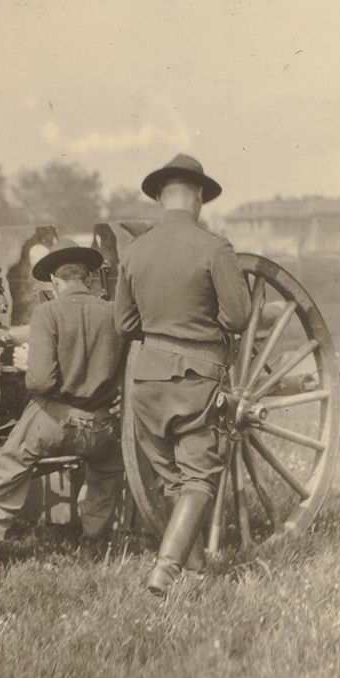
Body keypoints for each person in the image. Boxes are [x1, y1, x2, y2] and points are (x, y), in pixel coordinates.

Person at [0, 238, 126, 584]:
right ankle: (92, 543)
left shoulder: (48, 312)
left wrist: (25, 365)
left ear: (57, 282)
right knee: (106, 473)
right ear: (89, 279)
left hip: (53, 423)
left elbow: (40, 382)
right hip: (100, 426)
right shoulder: (112, 313)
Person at [114, 154, 251, 597]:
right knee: (198, 479)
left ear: (159, 198)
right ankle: (166, 570)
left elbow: (124, 324)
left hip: (146, 382)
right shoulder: (214, 247)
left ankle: (193, 574)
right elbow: (239, 316)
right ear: (198, 199)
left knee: (172, 480)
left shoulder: (134, 251)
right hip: (195, 380)